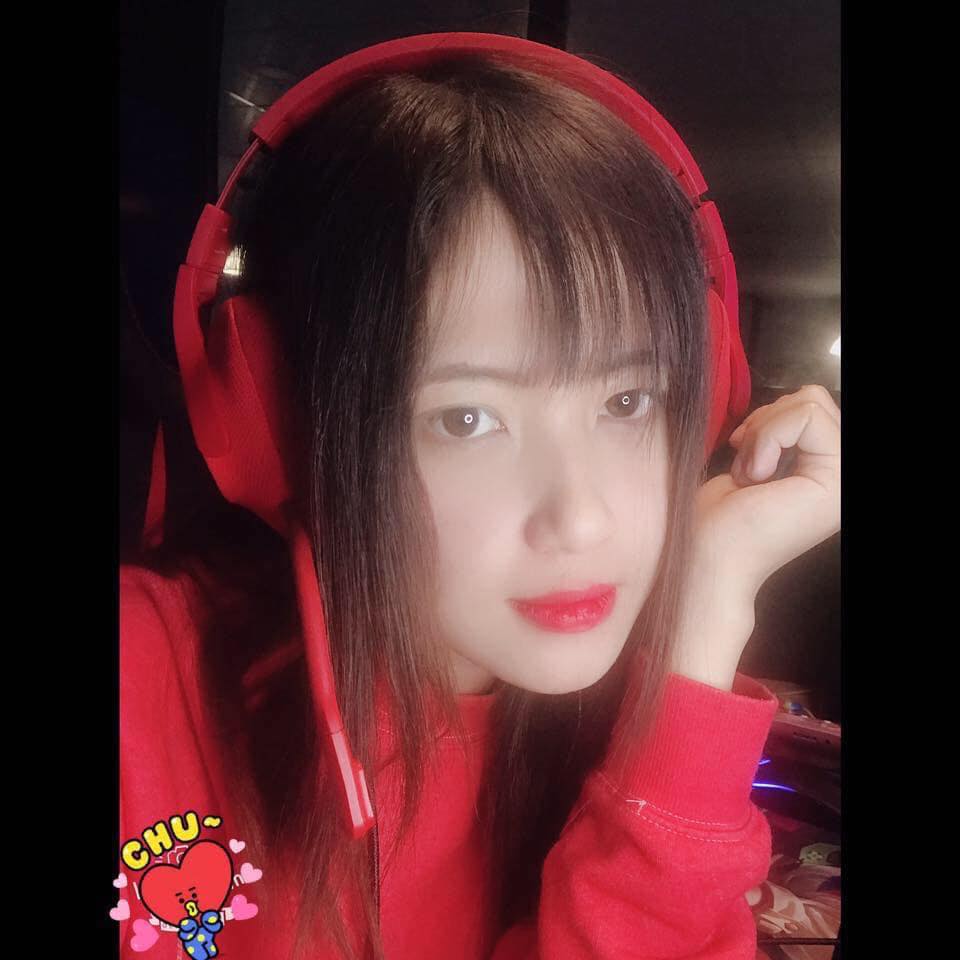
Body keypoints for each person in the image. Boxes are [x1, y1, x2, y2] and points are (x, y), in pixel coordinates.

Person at [117, 34, 841, 960]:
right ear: (279, 421)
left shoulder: (641, 707)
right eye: (467, 418)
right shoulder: (143, 685)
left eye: (628, 402)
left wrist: (701, 633)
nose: (581, 519)